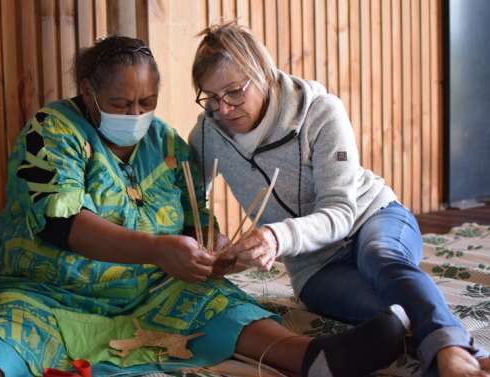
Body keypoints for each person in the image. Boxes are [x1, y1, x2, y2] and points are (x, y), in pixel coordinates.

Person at [0, 35, 407, 377]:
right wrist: (157, 249)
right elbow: (61, 224)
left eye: (148, 101)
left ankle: (314, 358)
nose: (137, 114)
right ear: (88, 91)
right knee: (4, 333)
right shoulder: (51, 131)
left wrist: (215, 251)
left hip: (150, 293)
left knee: (219, 302)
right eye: (121, 103)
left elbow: (195, 216)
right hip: (47, 291)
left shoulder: (164, 141)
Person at [189, 22, 490, 377]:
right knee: (389, 310)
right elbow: (190, 193)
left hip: (372, 217)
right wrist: (211, 236)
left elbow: (342, 212)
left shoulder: (319, 110)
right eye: (211, 98)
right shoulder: (210, 132)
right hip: (312, 264)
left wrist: (275, 236)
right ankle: (457, 351)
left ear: (263, 73)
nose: (223, 109)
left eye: (234, 93)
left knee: (381, 257)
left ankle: (453, 350)